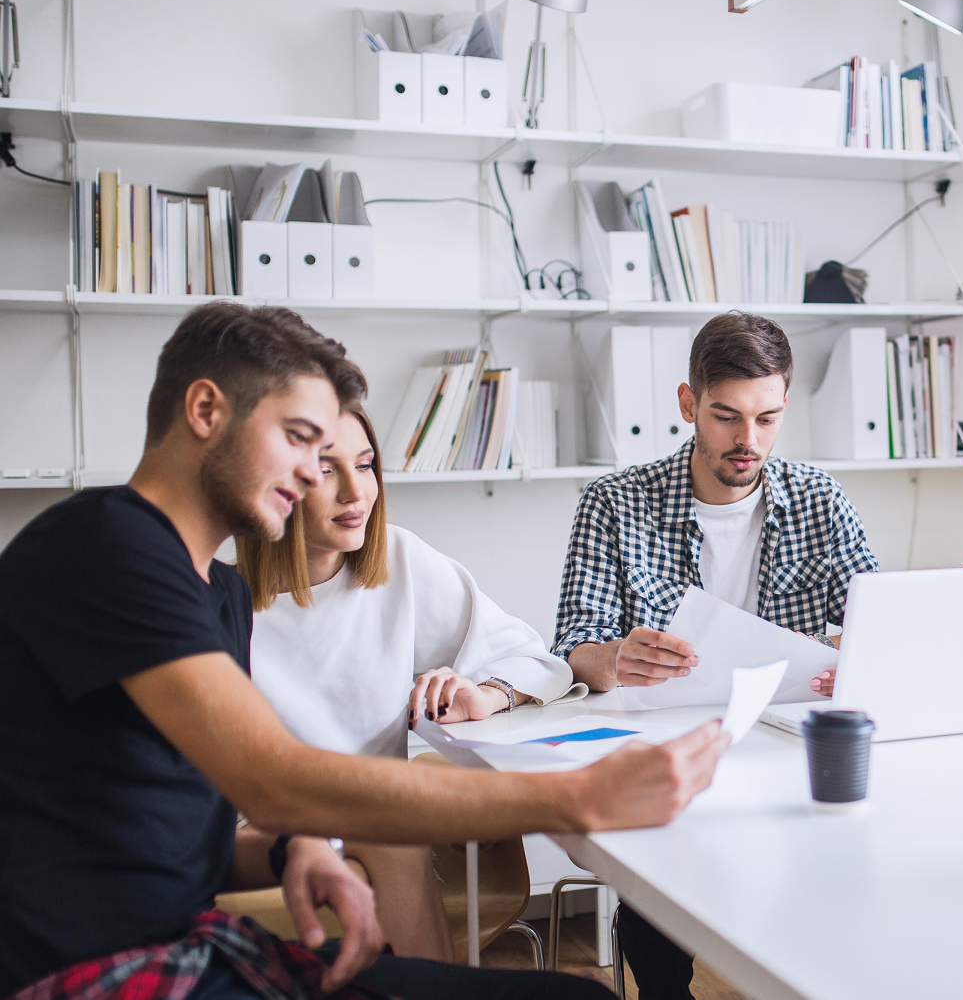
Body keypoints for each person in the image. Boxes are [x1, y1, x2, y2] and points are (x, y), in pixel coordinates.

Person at [0, 302, 728, 1000]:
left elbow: (173, 834)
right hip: (102, 969)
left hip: (194, 941)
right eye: (299, 440)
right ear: (205, 411)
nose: (313, 473)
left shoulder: (211, 594)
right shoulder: (105, 545)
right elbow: (274, 781)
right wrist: (582, 793)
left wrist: (293, 849)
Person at [554, 311, 878, 1000]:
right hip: (660, 745)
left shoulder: (819, 501)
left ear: (785, 404)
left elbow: (876, 622)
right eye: (727, 416)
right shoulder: (614, 503)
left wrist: (855, 651)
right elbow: (572, 646)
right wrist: (613, 657)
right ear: (687, 403)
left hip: (779, 748)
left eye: (766, 418)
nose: (747, 440)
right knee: (659, 895)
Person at [237, 402, 585, 960]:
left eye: (366, 463)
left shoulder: (397, 560)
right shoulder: (217, 604)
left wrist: (485, 693)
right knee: (391, 834)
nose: (357, 492)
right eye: (328, 470)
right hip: (261, 843)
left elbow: (536, 660)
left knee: (392, 833)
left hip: (382, 829)